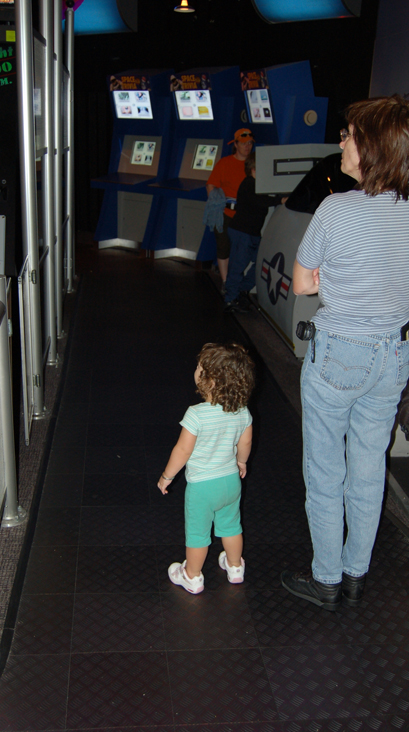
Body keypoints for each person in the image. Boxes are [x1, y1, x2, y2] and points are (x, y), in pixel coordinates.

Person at [281, 95, 409, 611]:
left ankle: (327, 579)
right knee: (367, 466)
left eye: (349, 134)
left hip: (340, 355)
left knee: (325, 469)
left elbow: (302, 284)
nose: (341, 141)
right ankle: (357, 571)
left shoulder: (336, 209)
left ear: (372, 148)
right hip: (392, 358)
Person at [157, 343, 254, 594]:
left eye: (200, 367)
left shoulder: (196, 415)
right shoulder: (242, 411)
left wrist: (167, 476)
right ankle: (235, 567)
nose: (196, 369)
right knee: (232, 526)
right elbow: (245, 442)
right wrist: (241, 461)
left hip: (202, 487)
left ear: (208, 381)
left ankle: (192, 575)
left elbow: (182, 451)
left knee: (198, 535)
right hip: (231, 481)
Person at [224, 152, 287, 313]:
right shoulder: (249, 184)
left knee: (259, 264)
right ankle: (231, 298)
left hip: (251, 233)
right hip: (242, 232)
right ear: (254, 168)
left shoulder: (258, 185)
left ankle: (241, 290)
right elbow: (259, 201)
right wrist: (279, 200)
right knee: (238, 266)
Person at [206, 129, 255, 291]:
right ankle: (226, 282)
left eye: (249, 143)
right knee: (223, 247)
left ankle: (236, 281)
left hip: (245, 214)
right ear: (235, 144)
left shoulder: (254, 164)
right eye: (243, 143)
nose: (247, 147)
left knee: (243, 249)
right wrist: (215, 204)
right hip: (225, 212)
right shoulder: (225, 163)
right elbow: (211, 184)